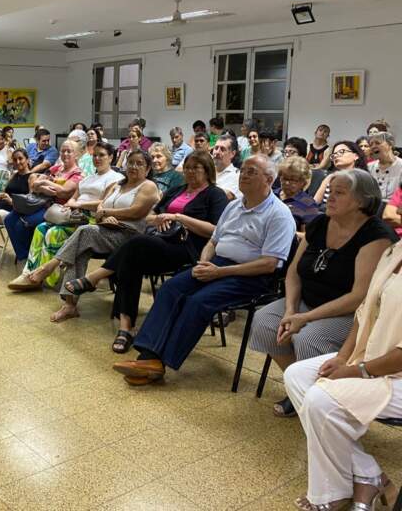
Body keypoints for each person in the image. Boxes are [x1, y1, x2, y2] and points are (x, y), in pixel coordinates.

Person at [112, 154, 296, 386]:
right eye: (243, 170)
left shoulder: (279, 214)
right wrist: (203, 263)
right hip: (216, 263)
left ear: (269, 179)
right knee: (171, 288)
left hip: (252, 276)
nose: (244, 175)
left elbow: (270, 264)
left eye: (252, 172)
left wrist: (219, 273)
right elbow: (213, 241)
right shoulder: (234, 206)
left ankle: (159, 363)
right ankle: (148, 357)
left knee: (198, 301)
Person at [249, 169, 395, 418]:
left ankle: (323, 400)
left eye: (339, 193)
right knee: (264, 321)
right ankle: (301, 389)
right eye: (330, 192)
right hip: (307, 302)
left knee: (309, 337)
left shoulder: (376, 237)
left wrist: (304, 319)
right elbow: (293, 272)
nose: (330, 198)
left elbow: (359, 297)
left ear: (362, 201)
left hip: (349, 313)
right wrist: (291, 310)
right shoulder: (320, 223)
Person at [65, 151, 228, 353]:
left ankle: (95, 278)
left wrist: (179, 218)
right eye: (187, 167)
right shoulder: (177, 190)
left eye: (196, 167)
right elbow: (150, 215)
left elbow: (216, 230)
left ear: (207, 170)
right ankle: (126, 328)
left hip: (189, 249)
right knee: (131, 261)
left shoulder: (215, 194)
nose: (190, 172)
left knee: (136, 243)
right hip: (159, 242)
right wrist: (159, 219)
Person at [283, 236, 402, 511]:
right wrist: (342, 357)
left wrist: (357, 371)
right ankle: (368, 474)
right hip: (372, 355)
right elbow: (364, 314)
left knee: (321, 400)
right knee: (297, 375)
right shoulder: (393, 252)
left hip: (394, 373)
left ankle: (331, 493)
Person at [19, 149, 161, 323]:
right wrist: (104, 215)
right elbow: (100, 208)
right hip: (106, 230)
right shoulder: (118, 185)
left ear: (147, 169)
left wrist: (109, 212)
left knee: (85, 231)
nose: (134, 166)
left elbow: (136, 212)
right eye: (131, 162)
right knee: (79, 251)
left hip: (129, 236)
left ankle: (50, 266)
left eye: (140, 164)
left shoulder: (148, 186)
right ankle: (69, 305)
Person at [7, 142, 123, 290]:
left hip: (92, 219)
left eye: (102, 155)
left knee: (54, 233)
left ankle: (45, 279)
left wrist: (79, 205)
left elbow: (105, 203)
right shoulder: (88, 178)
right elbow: (73, 197)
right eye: (95, 155)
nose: (97, 158)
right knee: (41, 228)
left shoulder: (115, 177)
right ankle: (29, 272)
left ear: (111, 157)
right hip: (73, 214)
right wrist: (71, 204)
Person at [4, 140, 83, 261]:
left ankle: (30, 258)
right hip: (40, 203)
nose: (65, 154)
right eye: (63, 151)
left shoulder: (78, 174)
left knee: (22, 224)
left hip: (57, 209)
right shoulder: (56, 168)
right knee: (9, 219)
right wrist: (47, 188)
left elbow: (63, 192)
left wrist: (45, 182)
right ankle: (23, 255)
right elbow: (35, 185)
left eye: (69, 151)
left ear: (76, 154)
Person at [314, 141, 368, 208]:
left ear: (356, 156)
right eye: (334, 154)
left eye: (341, 151)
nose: (336, 156)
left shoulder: (364, 179)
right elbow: (314, 203)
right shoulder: (330, 177)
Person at [274, 156, 320, 233]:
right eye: (284, 178)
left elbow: (307, 237)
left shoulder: (308, 204)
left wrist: (286, 232)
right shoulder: (271, 195)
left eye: (293, 180)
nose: (287, 183)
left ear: (303, 182)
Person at [367, 131, 402, 201]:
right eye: (371, 145)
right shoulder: (369, 167)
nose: (373, 146)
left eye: (377, 143)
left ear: (390, 144)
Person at [211, 134, 241, 200]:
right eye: (216, 148)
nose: (217, 152)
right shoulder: (206, 171)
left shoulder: (237, 175)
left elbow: (227, 196)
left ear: (232, 154)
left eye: (222, 149)